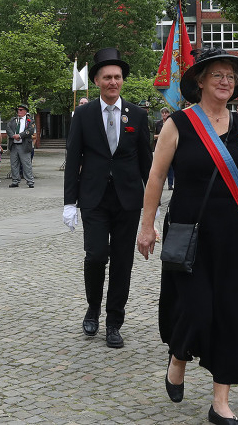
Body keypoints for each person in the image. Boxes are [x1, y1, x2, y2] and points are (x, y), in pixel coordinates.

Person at [136, 48, 238, 425]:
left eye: (231, 76)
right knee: (196, 310)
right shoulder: (178, 123)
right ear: (200, 81)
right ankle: (178, 356)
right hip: (190, 230)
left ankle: (220, 401)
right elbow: (156, 178)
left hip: (234, 232)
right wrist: (147, 226)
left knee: (232, 312)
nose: (226, 81)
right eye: (218, 75)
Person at [63, 47, 153, 349]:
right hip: (94, 198)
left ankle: (115, 321)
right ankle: (92, 307)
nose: (112, 82)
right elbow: (73, 156)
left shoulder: (138, 115)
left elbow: (147, 164)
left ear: (122, 81)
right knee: (97, 254)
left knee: (122, 262)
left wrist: (150, 210)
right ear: (98, 81)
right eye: (107, 77)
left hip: (127, 200)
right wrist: (69, 202)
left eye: (117, 77)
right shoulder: (84, 115)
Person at [7, 104, 36, 188]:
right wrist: (13, 135)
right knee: (14, 164)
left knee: (26, 164)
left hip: (24, 145)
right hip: (14, 145)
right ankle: (15, 180)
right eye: (18, 110)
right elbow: (8, 128)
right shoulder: (13, 120)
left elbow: (30, 130)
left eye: (20, 110)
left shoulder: (29, 121)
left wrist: (20, 135)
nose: (18, 111)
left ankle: (30, 181)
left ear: (25, 111)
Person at [154, 107, 175, 189]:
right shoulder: (157, 124)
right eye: (163, 113)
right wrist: (161, 136)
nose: (164, 114)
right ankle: (160, 184)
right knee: (160, 167)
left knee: (170, 167)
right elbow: (153, 136)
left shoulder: (172, 123)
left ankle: (170, 184)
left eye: (166, 113)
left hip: (170, 147)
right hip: (159, 147)